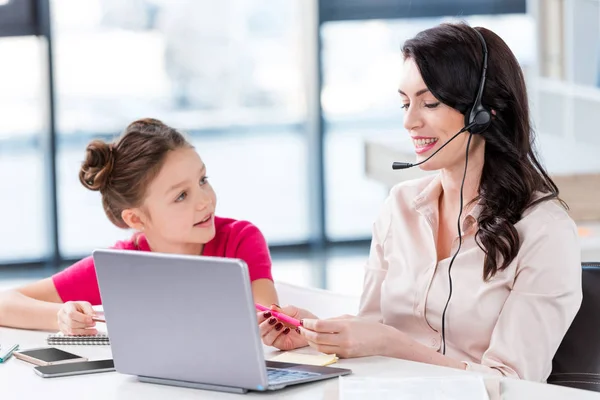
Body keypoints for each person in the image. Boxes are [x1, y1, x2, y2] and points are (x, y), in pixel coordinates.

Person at [258, 23, 582, 382]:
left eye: (429, 103)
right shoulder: (400, 206)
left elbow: (513, 381)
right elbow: (371, 331)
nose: (409, 121)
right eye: (404, 102)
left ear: (483, 112)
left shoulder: (544, 232)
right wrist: (312, 335)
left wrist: (392, 344)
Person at [0, 118, 278, 335]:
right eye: (181, 195)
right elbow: (5, 303)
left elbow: (267, 319)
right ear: (135, 219)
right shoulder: (119, 266)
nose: (205, 200)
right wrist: (61, 316)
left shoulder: (241, 240)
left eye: (203, 180)